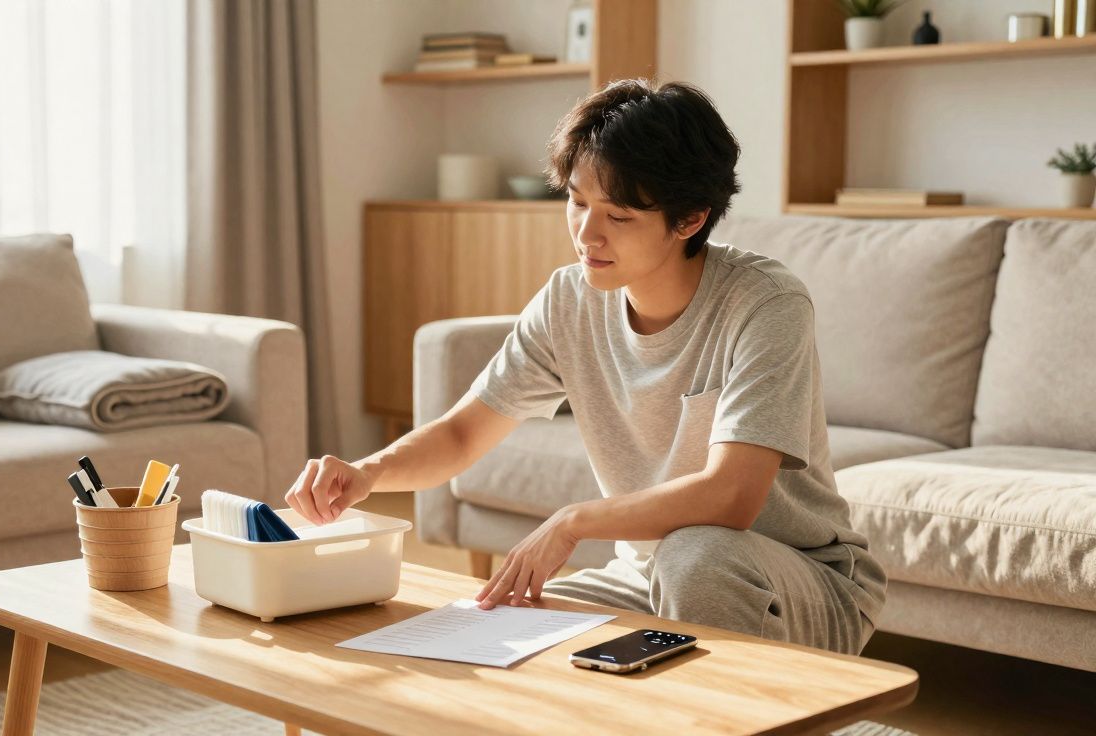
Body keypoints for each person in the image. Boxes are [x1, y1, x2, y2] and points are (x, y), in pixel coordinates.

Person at [286, 79, 885, 655]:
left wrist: (573, 523)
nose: (586, 234)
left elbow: (731, 497)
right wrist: (367, 473)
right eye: (576, 202)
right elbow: (465, 433)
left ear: (690, 219)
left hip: (803, 582)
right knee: (500, 627)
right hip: (644, 574)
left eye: (618, 216)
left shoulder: (765, 303)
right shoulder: (569, 300)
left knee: (696, 557)